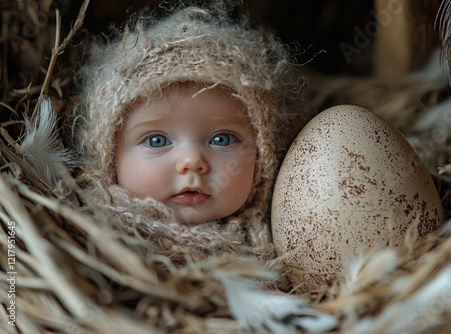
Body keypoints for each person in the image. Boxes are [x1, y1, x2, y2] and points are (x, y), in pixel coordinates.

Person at [72, 1, 311, 259]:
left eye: (222, 139)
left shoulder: (286, 243)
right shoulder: (101, 242)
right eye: (156, 140)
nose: (192, 161)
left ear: (263, 156)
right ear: (108, 158)